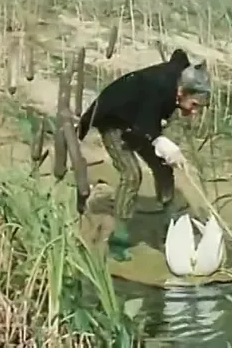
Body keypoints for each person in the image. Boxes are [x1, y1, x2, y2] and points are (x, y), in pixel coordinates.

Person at [77, 48, 211, 261]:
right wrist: (161, 142)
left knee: (163, 167)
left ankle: (171, 226)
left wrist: (164, 150)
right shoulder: (160, 88)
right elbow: (145, 127)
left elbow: (178, 55)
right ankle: (118, 239)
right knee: (131, 175)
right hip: (114, 119)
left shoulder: (178, 79)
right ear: (183, 92)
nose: (194, 111)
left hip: (138, 119)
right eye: (194, 105)